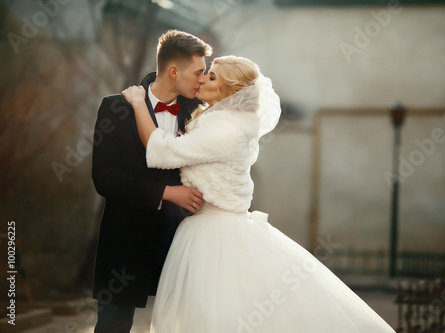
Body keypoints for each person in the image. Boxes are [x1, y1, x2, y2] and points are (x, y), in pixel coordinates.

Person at [122, 56, 395, 332]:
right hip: (210, 226)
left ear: (231, 91)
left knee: (218, 316)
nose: (203, 78)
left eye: (213, 77)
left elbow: (163, 151)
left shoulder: (224, 129)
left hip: (216, 234)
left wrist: (137, 103)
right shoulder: (224, 122)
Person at [91, 30, 212, 333]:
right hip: (125, 243)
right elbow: (105, 178)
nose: (202, 79)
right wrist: (166, 192)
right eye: (199, 72)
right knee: (113, 325)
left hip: (182, 241)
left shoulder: (201, 115)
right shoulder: (115, 108)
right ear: (174, 71)